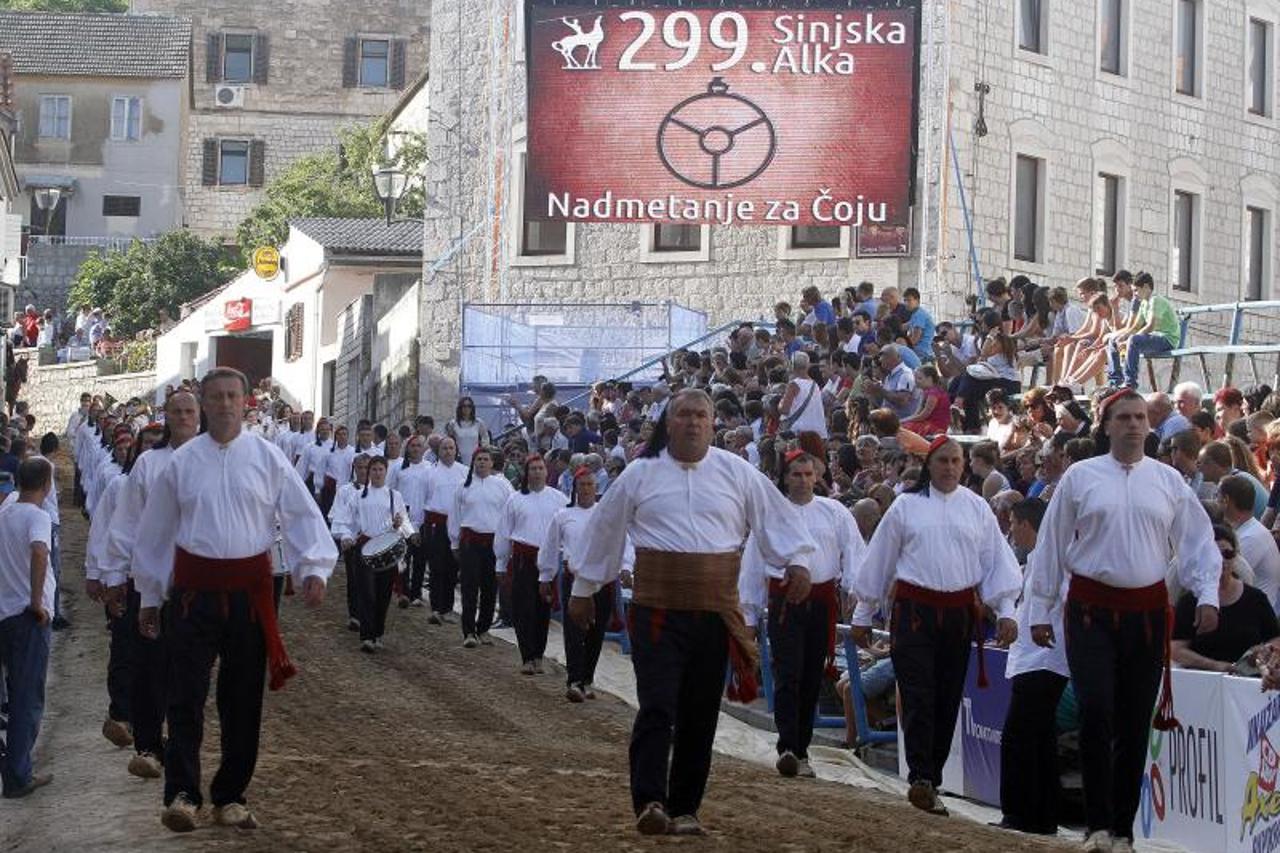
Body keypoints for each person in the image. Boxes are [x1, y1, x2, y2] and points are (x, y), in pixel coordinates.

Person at [567, 389, 815, 836]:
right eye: (684, 414)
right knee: (658, 705)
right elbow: (606, 530)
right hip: (656, 611)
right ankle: (649, 801)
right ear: (669, 420)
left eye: (701, 415)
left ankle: (685, 808)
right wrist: (584, 589)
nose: (693, 422)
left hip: (713, 612)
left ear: (713, 421)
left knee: (700, 712)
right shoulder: (639, 474)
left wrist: (797, 561)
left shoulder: (737, 472)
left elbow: (777, 520)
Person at [131, 368, 336, 833]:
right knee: (185, 695)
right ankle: (183, 793)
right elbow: (156, 533)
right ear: (203, 404)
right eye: (216, 397)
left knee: (242, 700)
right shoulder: (181, 464)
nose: (224, 404)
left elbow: (301, 512)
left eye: (232, 396)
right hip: (192, 596)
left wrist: (314, 568)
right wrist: (148, 593)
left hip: (248, 596)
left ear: (246, 402)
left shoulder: (267, 458)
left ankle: (230, 796)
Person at [1029, 389, 1220, 853]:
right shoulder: (1081, 476)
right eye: (1124, 417)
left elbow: (1196, 540)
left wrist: (1208, 592)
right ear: (1108, 424)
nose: (1134, 424)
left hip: (1147, 615)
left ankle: (1122, 831)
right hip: (1091, 609)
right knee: (1096, 710)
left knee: (1135, 723)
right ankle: (1095, 826)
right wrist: (1040, 607)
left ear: (1149, 426)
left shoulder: (1168, 481)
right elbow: (1051, 543)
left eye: (1140, 417)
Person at [851, 437, 1020, 816]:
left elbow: (996, 563)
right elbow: (880, 560)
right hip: (915, 612)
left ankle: (932, 779)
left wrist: (1007, 609)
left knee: (946, 699)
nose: (949, 467)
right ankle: (921, 776)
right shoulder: (906, 508)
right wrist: (863, 613)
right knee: (918, 693)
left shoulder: (977, 508)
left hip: (959, 615)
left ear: (963, 465)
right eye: (942, 461)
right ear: (929, 465)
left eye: (955, 461)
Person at [740, 451, 864, 779]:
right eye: (797, 475)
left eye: (809, 474)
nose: (804, 481)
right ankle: (788, 746)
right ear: (785, 478)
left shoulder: (834, 511)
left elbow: (853, 549)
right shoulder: (771, 515)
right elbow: (752, 567)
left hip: (822, 603)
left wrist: (854, 589)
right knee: (788, 674)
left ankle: (803, 749)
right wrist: (749, 617)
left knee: (811, 677)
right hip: (785, 603)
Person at [998, 499, 1066, 837]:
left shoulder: (1049, 560)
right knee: (1037, 737)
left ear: (1027, 523)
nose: (1011, 530)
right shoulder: (1041, 559)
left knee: (1021, 736)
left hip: (1043, 659)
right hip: (1036, 659)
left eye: (1012, 522)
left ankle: (1021, 813)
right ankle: (1040, 815)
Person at [538, 466, 628, 701]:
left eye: (590, 485)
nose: (586, 489)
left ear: (596, 488)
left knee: (596, 632)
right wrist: (545, 576)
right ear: (575, 489)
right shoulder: (563, 516)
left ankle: (587, 678)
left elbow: (623, 541)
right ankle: (575, 679)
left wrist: (626, 566)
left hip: (602, 579)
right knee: (574, 629)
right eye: (582, 485)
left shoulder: (606, 515)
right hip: (573, 577)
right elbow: (550, 547)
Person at [0, 456, 54, 798]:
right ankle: (18, 774)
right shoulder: (38, 516)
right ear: (47, 485)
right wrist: (36, 601)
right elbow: (39, 552)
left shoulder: (4, 512)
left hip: (5, 611)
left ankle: (14, 767)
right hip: (26, 615)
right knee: (26, 696)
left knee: (15, 693)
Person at [333, 456, 415, 653]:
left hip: (387, 549)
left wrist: (401, 527)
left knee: (383, 593)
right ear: (368, 473)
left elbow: (403, 521)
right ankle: (367, 636)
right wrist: (346, 536)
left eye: (381, 469)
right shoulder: (358, 496)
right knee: (367, 592)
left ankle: (378, 632)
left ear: (386, 472)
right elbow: (345, 520)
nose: (377, 473)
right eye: (374, 470)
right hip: (365, 548)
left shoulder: (395, 496)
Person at [495, 455, 568, 674]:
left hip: (548, 561)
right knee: (523, 608)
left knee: (542, 609)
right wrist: (501, 562)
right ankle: (527, 655)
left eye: (540, 468)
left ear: (547, 472)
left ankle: (538, 655)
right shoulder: (515, 499)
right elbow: (503, 533)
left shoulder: (559, 499)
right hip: (522, 559)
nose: (537, 472)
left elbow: (568, 530)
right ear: (527, 473)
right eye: (533, 469)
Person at [1172, 524, 1279, 672]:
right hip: (1201, 680)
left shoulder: (1256, 598)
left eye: (1227, 554)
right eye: (1214, 554)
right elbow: (1176, 649)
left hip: (1246, 679)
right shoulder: (1189, 601)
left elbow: (1275, 638)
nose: (1221, 561)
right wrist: (1215, 665)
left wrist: (1264, 651)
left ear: (1235, 557)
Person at [448, 447, 514, 648]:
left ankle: (483, 628)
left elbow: (510, 514)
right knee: (469, 587)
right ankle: (468, 631)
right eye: (479, 459)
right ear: (473, 462)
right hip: (470, 542)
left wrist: (507, 543)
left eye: (486, 459)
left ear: (492, 463)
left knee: (489, 587)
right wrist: (454, 542)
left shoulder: (503, 486)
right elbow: (455, 516)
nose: (482, 463)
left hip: (493, 543)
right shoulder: (463, 486)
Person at [1106, 272, 1178, 389]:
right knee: (1113, 340)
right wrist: (1122, 338)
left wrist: (1128, 340)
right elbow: (1135, 326)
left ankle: (1130, 382)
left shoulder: (1156, 300)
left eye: (1136, 290)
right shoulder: (1144, 303)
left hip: (1167, 340)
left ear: (1146, 287)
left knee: (1134, 340)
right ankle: (1115, 381)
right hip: (1155, 338)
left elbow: (1150, 326)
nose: (1134, 294)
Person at [422, 437, 466, 625]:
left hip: (457, 524)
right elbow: (423, 500)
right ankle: (436, 607)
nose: (448, 451)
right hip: (436, 522)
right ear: (438, 451)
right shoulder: (430, 473)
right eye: (444, 448)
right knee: (437, 565)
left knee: (451, 566)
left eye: (451, 448)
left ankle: (448, 608)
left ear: (456, 450)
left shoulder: (464, 473)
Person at [1219, 474, 1280, 608]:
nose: (1215, 502)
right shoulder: (1248, 530)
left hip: (1261, 618)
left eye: (1217, 498)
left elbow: (1223, 579)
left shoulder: (1251, 537)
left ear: (1226, 500)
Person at [330, 454, 372, 631]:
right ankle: (355, 614)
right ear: (354, 469)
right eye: (360, 467)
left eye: (366, 468)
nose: (363, 471)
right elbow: (335, 516)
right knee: (354, 579)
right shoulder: (345, 491)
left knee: (370, 581)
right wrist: (345, 535)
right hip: (352, 542)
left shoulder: (380, 490)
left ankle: (369, 614)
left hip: (372, 542)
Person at [777, 351, 827, 438]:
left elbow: (784, 410)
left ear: (792, 366)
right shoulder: (815, 385)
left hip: (799, 431)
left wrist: (780, 403)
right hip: (817, 432)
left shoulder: (794, 384)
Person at [446, 397, 490, 465]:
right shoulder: (453, 423)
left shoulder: (478, 422)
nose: (466, 408)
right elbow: (449, 439)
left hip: (475, 458)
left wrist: (483, 451)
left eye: (469, 406)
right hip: (459, 459)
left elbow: (485, 437)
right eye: (464, 406)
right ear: (460, 408)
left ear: (472, 408)